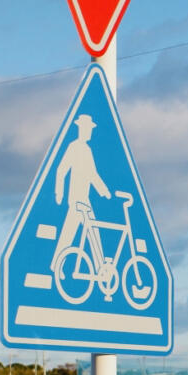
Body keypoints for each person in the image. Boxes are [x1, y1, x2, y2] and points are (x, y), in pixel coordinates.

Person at [51, 113, 111, 272]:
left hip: (85, 199)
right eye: (87, 129)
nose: (90, 132)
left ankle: (101, 269)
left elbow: (92, 174)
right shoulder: (74, 147)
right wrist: (59, 193)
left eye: (90, 129)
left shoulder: (87, 149)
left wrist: (105, 192)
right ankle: (57, 265)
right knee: (68, 234)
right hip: (76, 200)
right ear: (81, 129)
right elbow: (61, 170)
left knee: (93, 231)